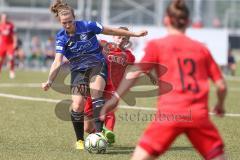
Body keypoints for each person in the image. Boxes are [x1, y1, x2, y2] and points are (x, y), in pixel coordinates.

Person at [101, 0, 227, 160]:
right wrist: (220, 105)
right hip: (198, 115)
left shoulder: (157, 45)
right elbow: (221, 86)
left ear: (166, 20)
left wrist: (115, 98)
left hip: (169, 115)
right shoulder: (202, 48)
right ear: (188, 22)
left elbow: (134, 73)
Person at [41, 0, 147, 150]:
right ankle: (79, 140)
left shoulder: (88, 26)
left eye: (70, 21)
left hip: (97, 65)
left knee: (96, 93)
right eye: (64, 23)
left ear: (74, 18)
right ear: (59, 21)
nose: (67, 25)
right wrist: (49, 80)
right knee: (77, 105)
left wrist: (134, 34)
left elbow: (111, 31)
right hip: (78, 71)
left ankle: (99, 135)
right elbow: (57, 61)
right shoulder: (61, 37)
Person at [84, 27, 136, 145]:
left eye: (124, 38)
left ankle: (108, 132)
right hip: (96, 84)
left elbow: (131, 72)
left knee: (108, 110)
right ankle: (98, 136)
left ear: (127, 41)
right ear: (113, 36)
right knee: (87, 126)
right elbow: (92, 42)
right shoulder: (105, 46)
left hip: (112, 87)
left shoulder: (129, 56)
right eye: (119, 36)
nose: (121, 40)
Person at [0, 13, 17, 79]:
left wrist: (15, 42)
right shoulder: (0, 25)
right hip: (3, 44)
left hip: (10, 44)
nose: (4, 19)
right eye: (3, 17)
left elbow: (14, 34)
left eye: (5, 17)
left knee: (11, 58)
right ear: (1, 18)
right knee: (1, 60)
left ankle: (11, 72)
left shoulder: (11, 25)